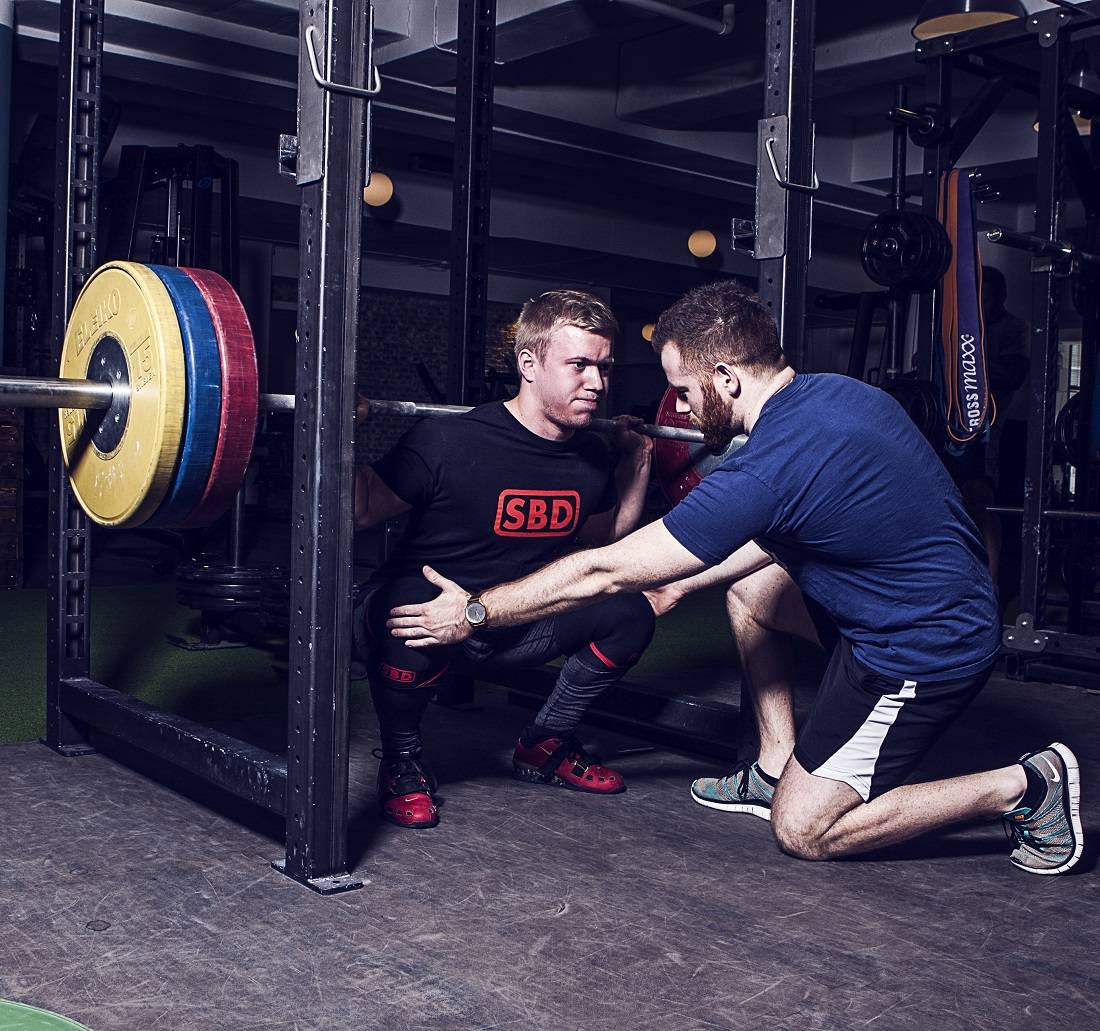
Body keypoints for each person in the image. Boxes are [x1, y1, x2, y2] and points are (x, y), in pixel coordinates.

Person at [385, 279, 1083, 874]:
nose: (680, 410)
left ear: (725, 379)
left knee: (805, 830)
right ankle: (776, 762)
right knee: (752, 587)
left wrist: (475, 612)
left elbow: (602, 568)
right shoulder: (838, 397)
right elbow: (785, 529)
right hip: (909, 605)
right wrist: (684, 583)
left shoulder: (771, 464)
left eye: (684, 391)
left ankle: (1023, 786)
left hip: (923, 650)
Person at [354, 289, 655, 829]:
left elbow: (603, 545)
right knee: (410, 610)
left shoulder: (589, 454)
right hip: (419, 617)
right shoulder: (445, 438)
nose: (598, 384)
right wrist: (338, 429)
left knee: (628, 611)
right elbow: (359, 511)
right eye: (580, 365)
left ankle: (547, 741)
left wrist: (635, 469)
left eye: (604, 368)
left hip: (512, 624)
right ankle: (402, 759)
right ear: (529, 364)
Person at [948, 265, 1030, 586]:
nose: (978, 303)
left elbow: (1013, 374)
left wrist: (963, 366)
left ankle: (991, 586)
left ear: (1000, 299)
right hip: (954, 428)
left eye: (985, 297)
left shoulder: (1014, 329)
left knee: (982, 504)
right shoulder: (961, 326)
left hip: (995, 429)